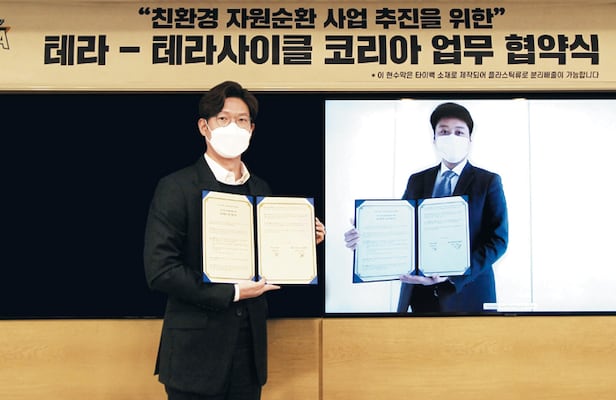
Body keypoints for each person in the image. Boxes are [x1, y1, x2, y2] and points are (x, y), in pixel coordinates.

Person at [143, 81, 325, 400]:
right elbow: (160, 270)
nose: (234, 127)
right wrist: (233, 292)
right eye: (223, 119)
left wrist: (304, 242)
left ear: (252, 129)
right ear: (204, 127)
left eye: (242, 120)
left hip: (248, 355)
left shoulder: (261, 189)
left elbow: (268, 260)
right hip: (194, 356)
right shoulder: (176, 187)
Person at [345, 102, 508, 313]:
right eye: (444, 132)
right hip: (419, 294)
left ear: (470, 140)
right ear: (434, 139)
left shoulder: (488, 182)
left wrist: (453, 274)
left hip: (467, 295)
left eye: (459, 132)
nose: (451, 137)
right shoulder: (417, 180)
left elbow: (498, 240)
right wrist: (365, 239)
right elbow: (401, 229)